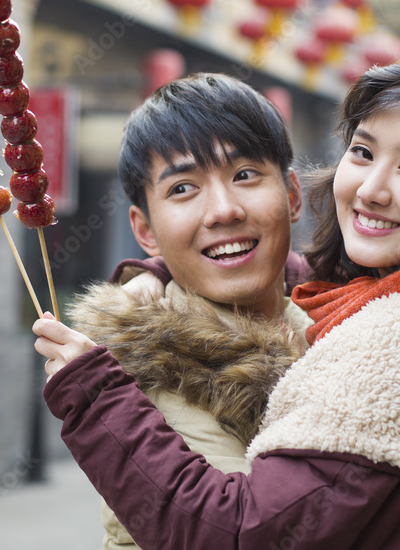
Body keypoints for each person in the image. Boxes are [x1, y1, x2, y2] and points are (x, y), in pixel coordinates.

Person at [33, 53, 400, 548]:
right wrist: (153, 278)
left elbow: (237, 533)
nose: (370, 188)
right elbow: (306, 279)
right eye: (362, 153)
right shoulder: (398, 301)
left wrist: (93, 392)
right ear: (144, 226)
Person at [66, 73, 311, 549]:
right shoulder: (151, 371)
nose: (222, 211)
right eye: (182, 188)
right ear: (146, 230)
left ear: (293, 196)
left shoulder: (335, 313)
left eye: (244, 175)